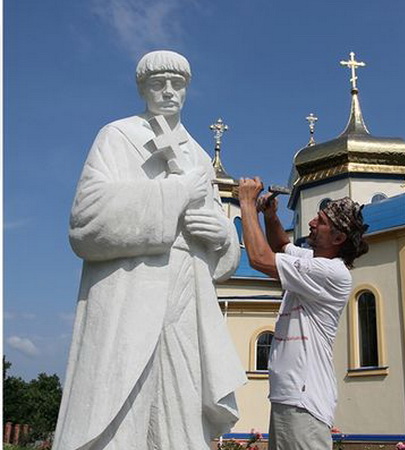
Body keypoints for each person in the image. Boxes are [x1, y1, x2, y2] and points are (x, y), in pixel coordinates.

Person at [53, 50, 246, 450]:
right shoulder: (118, 136)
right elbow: (86, 220)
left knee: (183, 402)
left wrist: (222, 235)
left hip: (185, 292)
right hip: (131, 286)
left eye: (177, 84)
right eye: (159, 84)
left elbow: (218, 244)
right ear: (143, 88)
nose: (169, 92)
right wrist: (175, 192)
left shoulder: (196, 154)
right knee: (121, 400)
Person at [238, 178, 369, 450]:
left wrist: (247, 203)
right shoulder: (314, 262)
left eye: (320, 221)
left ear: (338, 237)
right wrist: (272, 216)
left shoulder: (332, 272)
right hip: (290, 396)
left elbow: (260, 258)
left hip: (304, 400)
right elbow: (281, 247)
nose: (311, 223)